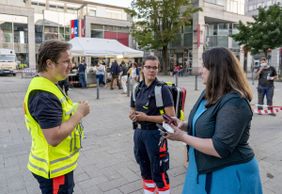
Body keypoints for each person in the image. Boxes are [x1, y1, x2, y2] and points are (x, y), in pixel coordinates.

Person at [166, 47, 263, 194]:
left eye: (204, 66)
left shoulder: (235, 102)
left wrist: (182, 137)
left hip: (228, 173)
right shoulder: (208, 93)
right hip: (202, 168)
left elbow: (220, 147)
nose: (200, 71)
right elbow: (204, 123)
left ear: (217, 70)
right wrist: (183, 125)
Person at [23, 40, 90, 194]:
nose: (71, 65)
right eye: (66, 61)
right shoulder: (43, 94)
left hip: (57, 167)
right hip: (54, 170)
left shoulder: (50, 84)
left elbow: (58, 114)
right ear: (49, 63)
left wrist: (74, 108)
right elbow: (53, 137)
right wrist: (79, 113)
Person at [129, 55, 175, 194]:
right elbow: (132, 108)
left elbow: (171, 117)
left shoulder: (162, 89)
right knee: (145, 171)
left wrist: (147, 117)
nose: (151, 70)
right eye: (148, 67)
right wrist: (132, 115)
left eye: (155, 67)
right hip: (139, 133)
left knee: (158, 172)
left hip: (156, 135)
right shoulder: (137, 88)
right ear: (142, 69)